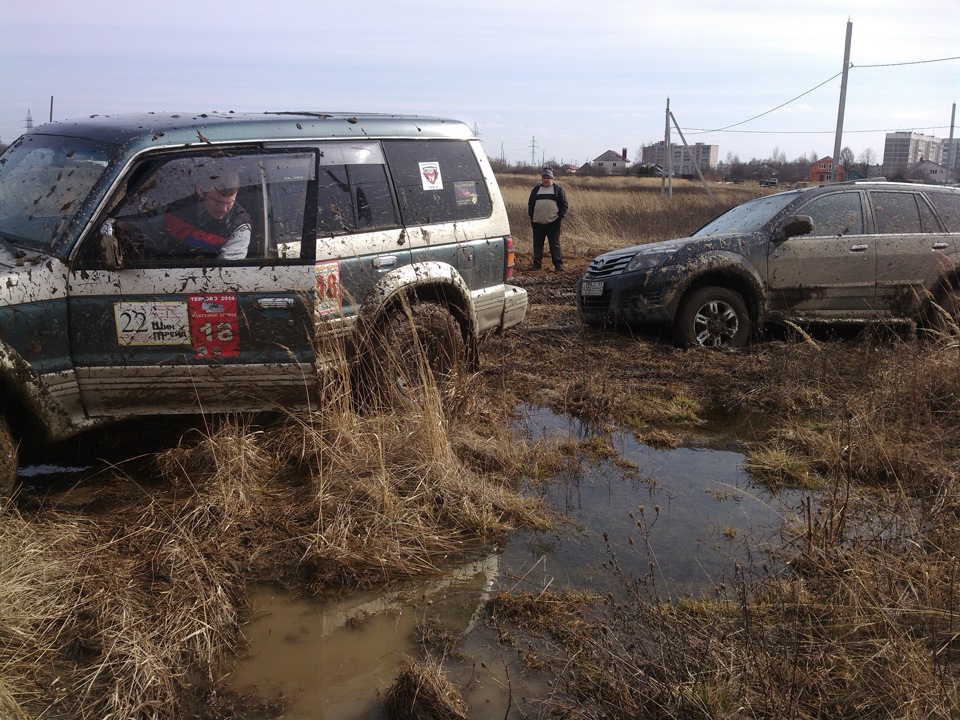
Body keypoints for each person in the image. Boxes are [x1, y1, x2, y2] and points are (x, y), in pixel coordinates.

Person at [162, 171, 252, 260]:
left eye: (230, 203)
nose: (224, 209)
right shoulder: (177, 210)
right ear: (201, 191)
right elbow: (150, 235)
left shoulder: (241, 226)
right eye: (217, 202)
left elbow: (229, 268)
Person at [527, 167, 568, 271]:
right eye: (544, 177)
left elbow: (564, 205)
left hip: (553, 223)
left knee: (554, 245)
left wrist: (558, 218)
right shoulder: (536, 190)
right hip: (537, 223)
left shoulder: (558, 190)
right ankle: (537, 264)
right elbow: (530, 204)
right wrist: (532, 217)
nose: (545, 180)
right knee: (537, 245)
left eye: (548, 178)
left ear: (552, 178)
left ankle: (558, 265)